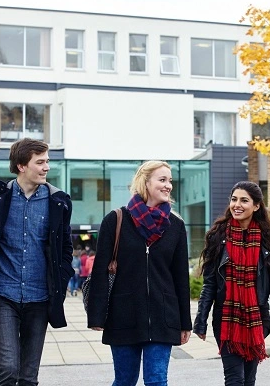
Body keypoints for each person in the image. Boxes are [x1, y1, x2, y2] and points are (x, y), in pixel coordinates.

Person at [0, 138, 74, 386]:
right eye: (40, 162)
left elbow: (65, 249)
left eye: (47, 162)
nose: (47, 168)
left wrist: (61, 277)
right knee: (9, 369)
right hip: (3, 296)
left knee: (28, 376)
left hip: (40, 298)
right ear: (22, 166)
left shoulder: (59, 202)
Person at [87, 160, 192, 386]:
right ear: (145, 182)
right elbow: (100, 272)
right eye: (162, 180)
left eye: (170, 181)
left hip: (163, 316)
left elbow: (180, 277)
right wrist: (96, 316)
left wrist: (185, 323)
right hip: (123, 315)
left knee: (156, 380)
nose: (168, 186)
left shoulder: (175, 225)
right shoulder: (115, 220)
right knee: (124, 380)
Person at [193, 181, 270, 386]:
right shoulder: (218, 236)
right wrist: (200, 321)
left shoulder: (266, 239)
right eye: (234, 199)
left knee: (249, 380)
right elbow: (210, 284)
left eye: (244, 200)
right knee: (235, 379)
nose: (237, 205)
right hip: (225, 319)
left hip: (257, 318)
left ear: (256, 206)